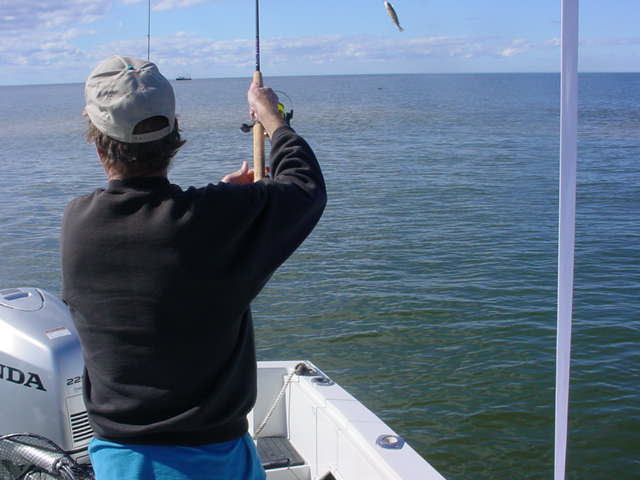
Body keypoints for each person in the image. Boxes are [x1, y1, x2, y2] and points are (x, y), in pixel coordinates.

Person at [61, 55, 326, 479]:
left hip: (121, 461)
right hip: (216, 459)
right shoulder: (215, 221)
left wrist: (222, 197)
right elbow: (304, 186)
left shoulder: (78, 222)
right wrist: (272, 118)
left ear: (97, 142)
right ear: (175, 134)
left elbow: (159, 243)